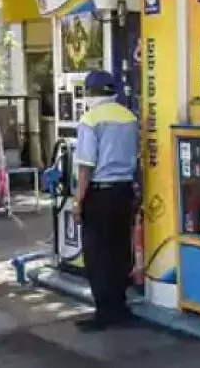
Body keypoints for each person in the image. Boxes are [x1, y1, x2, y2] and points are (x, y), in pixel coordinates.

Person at [73, 70, 139, 332]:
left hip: (99, 194)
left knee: (98, 254)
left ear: (91, 93)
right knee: (120, 249)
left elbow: (85, 167)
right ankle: (120, 306)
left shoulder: (90, 120)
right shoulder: (130, 117)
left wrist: (78, 201)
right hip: (124, 192)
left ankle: (104, 311)